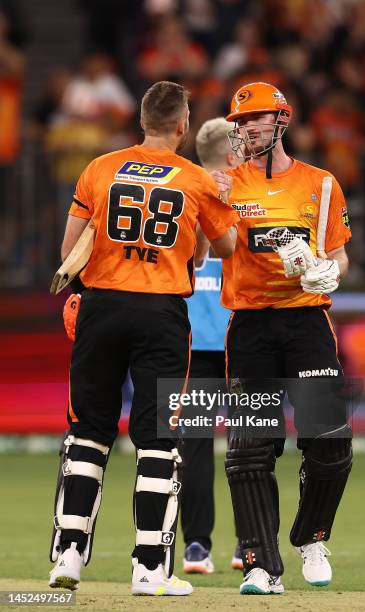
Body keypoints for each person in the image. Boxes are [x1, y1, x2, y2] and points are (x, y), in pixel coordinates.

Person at [48, 80, 238, 596]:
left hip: (102, 308)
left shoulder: (100, 168)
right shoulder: (196, 179)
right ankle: (150, 568)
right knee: (157, 442)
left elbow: (69, 251)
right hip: (161, 313)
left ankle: (68, 554)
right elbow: (219, 249)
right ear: (183, 125)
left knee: (88, 432)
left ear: (141, 121)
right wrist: (217, 205)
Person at [211, 81, 352, 595]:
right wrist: (215, 206)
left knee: (329, 444)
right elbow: (216, 247)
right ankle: (259, 565)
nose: (247, 127)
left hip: (307, 322)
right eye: (240, 121)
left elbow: (337, 253)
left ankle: (311, 537)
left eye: (257, 119)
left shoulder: (321, 183)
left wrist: (328, 273)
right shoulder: (226, 183)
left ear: (282, 120)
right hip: (251, 325)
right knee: (251, 450)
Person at [180, 117, 243, 574]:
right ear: (230, 153)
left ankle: (196, 547)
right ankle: (249, 544)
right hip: (242, 343)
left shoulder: (180, 197)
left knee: (193, 446)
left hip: (189, 350)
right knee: (251, 446)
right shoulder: (243, 201)